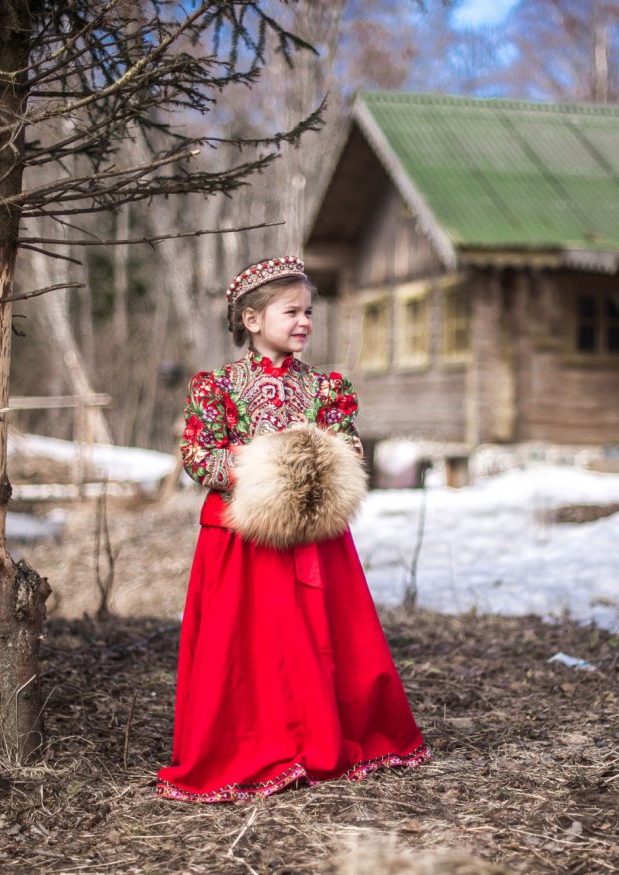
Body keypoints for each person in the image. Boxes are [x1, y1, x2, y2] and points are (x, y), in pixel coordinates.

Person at [156, 256, 430, 802]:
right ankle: (252, 743)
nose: (304, 321)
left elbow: (349, 447)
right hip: (242, 539)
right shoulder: (218, 387)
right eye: (292, 312)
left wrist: (318, 463)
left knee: (318, 638)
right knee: (248, 644)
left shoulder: (326, 388)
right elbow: (198, 456)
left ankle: (318, 736)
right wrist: (262, 470)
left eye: (309, 312)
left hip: (314, 534)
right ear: (252, 319)